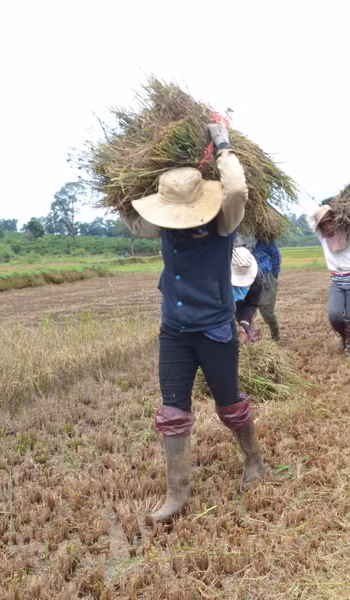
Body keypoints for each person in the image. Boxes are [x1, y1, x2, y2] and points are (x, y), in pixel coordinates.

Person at [118, 122, 264, 523]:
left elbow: (235, 189)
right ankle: (176, 494)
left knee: (230, 406)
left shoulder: (223, 220)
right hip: (175, 331)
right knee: (172, 412)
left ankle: (254, 460)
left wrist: (223, 144)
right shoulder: (160, 223)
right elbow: (133, 215)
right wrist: (125, 175)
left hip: (215, 330)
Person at [307, 205, 350, 355]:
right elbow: (309, 217)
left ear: (338, 220)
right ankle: (344, 335)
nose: (328, 226)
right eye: (324, 223)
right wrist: (321, 207)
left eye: (330, 221)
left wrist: (339, 210)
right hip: (337, 281)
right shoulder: (322, 237)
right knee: (334, 316)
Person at [251, 238, 281, 340]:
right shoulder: (238, 240)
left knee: (267, 312)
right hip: (245, 277)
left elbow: (276, 256)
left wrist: (274, 274)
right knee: (248, 313)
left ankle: (275, 336)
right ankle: (250, 338)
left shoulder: (265, 239)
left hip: (266, 276)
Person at [232, 247, 263, 343]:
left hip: (243, 304)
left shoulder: (257, 279)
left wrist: (244, 323)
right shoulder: (217, 278)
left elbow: (252, 303)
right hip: (223, 307)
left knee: (248, 335)